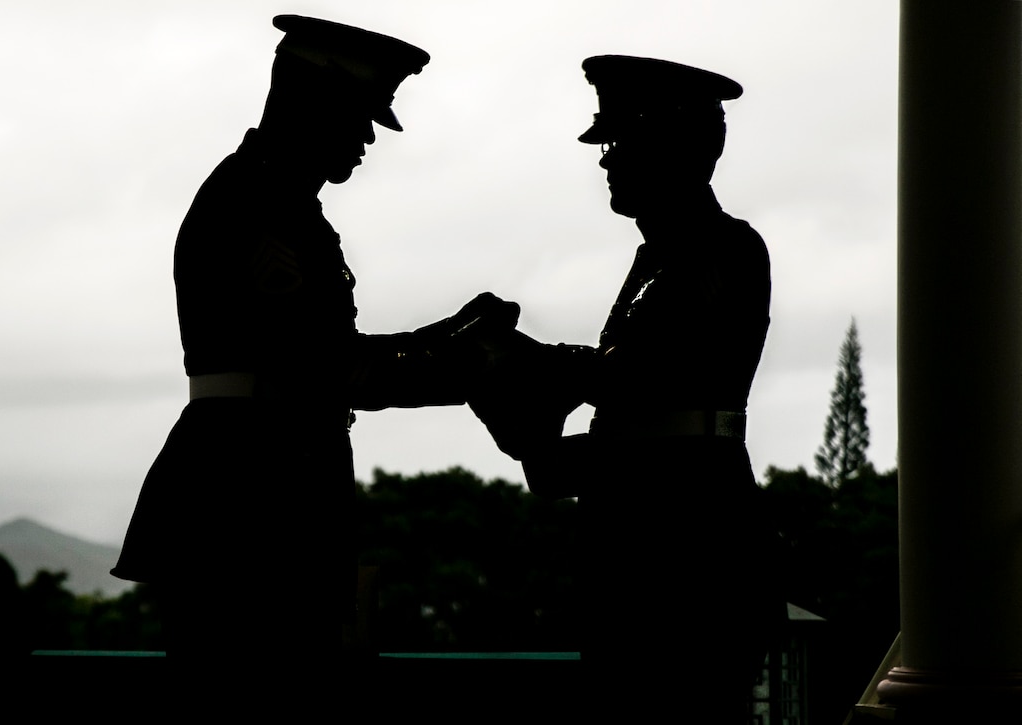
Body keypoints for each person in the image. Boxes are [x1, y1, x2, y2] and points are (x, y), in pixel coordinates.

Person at [110, 15, 517, 706]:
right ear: (308, 101)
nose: (364, 138)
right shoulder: (260, 207)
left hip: (259, 497)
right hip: (249, 511)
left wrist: (444, 335)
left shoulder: (275, 201)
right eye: (357, 116)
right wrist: (475, 368)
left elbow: (315, 349)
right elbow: (329, 369)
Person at [471, 55, 778, 718]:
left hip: (692, 563)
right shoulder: (654, 261)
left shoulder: (725, 252)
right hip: (632, 558)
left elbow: (642, 378)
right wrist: (505, 397)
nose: (605, 163)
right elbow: (598, 441)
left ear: (672, 147)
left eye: (618, 144)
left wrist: (522, 358)